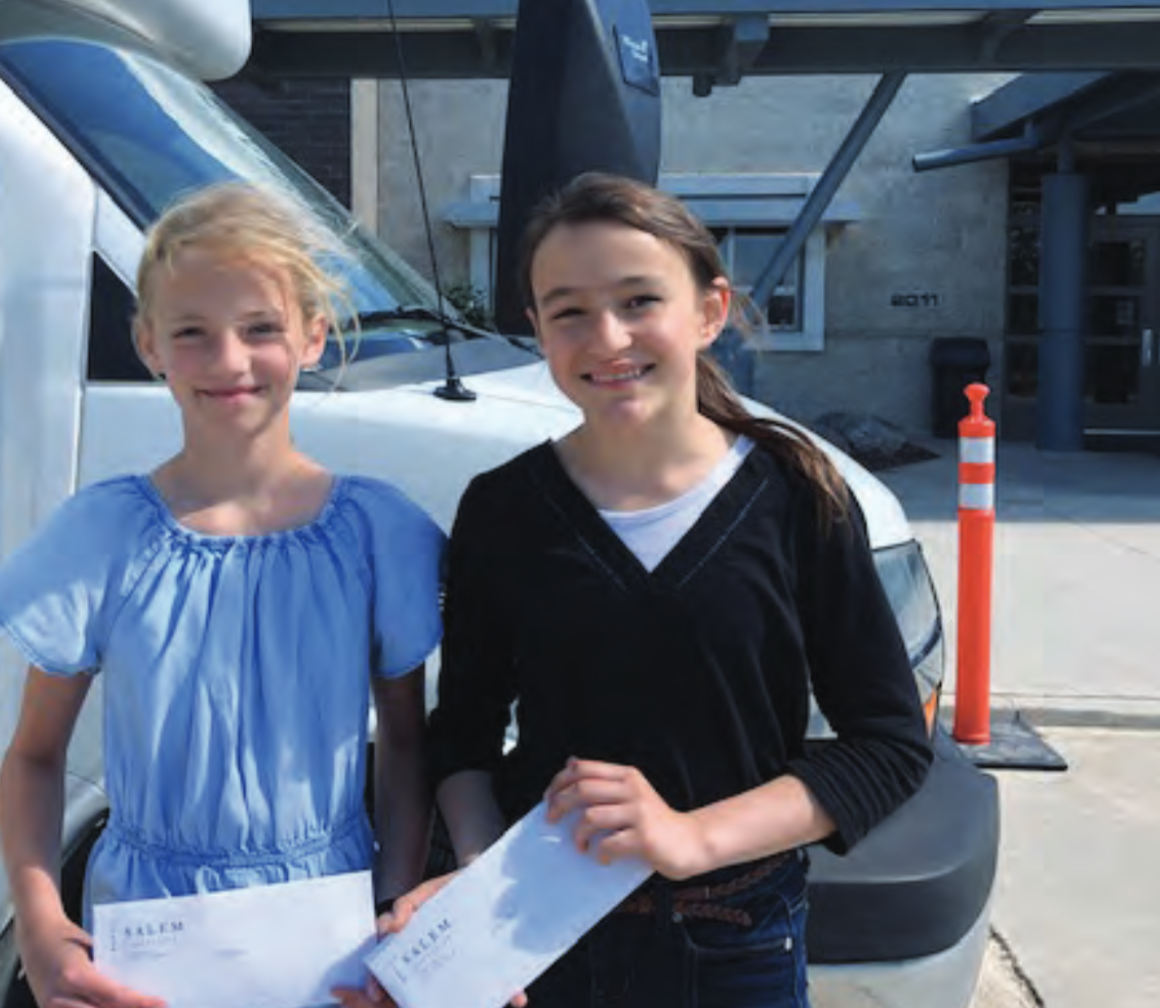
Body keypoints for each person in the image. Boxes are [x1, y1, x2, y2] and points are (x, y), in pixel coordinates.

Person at [394, 172, 934, 1008]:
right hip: (535, 937)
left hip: (736, 943)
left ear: (710, 311)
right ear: (537, 330)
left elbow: (887, 746)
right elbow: (462, 737)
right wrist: (478, 874)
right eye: (569, 311)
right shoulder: (503, 509)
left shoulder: (798, 496)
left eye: (639, 300)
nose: (607, 337)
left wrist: (691, 836)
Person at [0, 183, 441, 1008]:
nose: (229, 360)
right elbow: (34, 757)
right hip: (148, 939)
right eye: (193, 331)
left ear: (313, 336)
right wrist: (40, 925)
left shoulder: (377, 534)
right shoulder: (102, 535)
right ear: (148, 343)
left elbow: (406, 747)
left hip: (329, 937)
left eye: (261, 328)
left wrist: (394, 909)